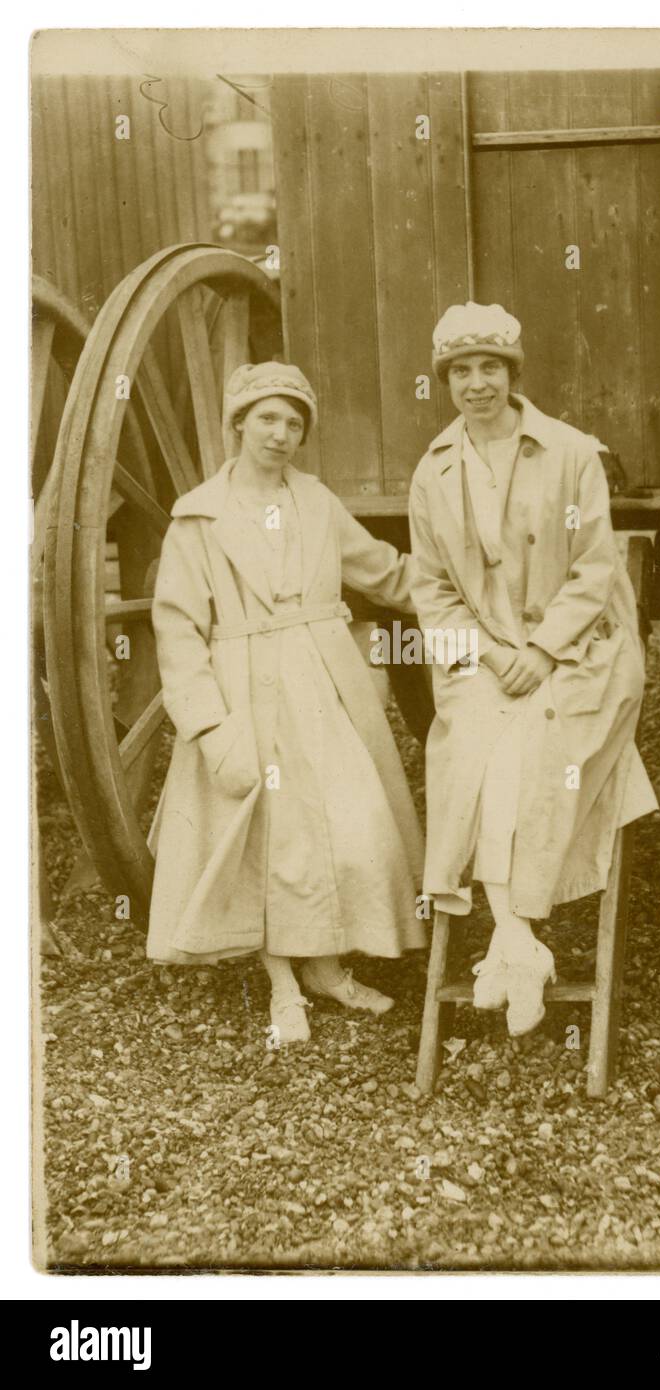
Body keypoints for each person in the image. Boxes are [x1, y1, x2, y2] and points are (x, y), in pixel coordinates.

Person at [146, 361, 427, 1043]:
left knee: (346, 823)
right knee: (270, 836)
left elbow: (385, 574)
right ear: (238, 423)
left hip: (325, 681)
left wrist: (479, 595)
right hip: (243, 686)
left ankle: (327, 967)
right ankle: (282, 985)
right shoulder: (199, 518)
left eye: (294, 422)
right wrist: (210, 726)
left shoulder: (316, 502)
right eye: (267, 418)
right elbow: (177, 631)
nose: (280, 433)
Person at [409, 303, 658, 1038]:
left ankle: (507, 940)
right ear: (446, 381)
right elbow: (433, 591)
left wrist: (543, 651)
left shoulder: (570, 452)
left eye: (490, 368)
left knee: (529, 746)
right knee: (472, 747)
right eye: (461, 371)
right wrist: (490, 655)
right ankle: (521, 944)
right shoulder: (434, 471)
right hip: (483, 655)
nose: (476, 384)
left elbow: (594, 569)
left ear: (514, 375)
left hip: (581, 647)